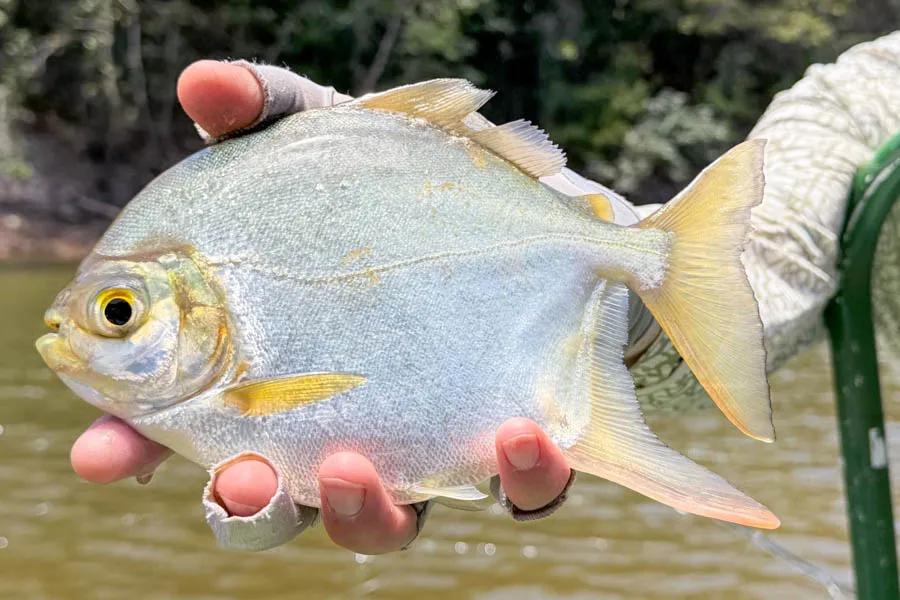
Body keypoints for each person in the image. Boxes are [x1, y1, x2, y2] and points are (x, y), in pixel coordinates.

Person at [67, 32, 900, 553]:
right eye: (120, 313)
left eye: (117, 313)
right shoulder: (862, 100)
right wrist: (628, 309)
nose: (97, 330)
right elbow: (783, 264)